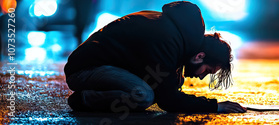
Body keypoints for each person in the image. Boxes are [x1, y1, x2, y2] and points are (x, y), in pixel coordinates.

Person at [64, 1, 247, 113]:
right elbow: (168, 100)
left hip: (100, 67)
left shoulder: (176, 37)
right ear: (199, 56)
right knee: (143, 96)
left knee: (161, 87)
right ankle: (84, 100)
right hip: (84, 71)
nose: (201, 76)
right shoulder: (167, 41)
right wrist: (215, 106)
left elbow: (169, 87)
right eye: (207, 70)